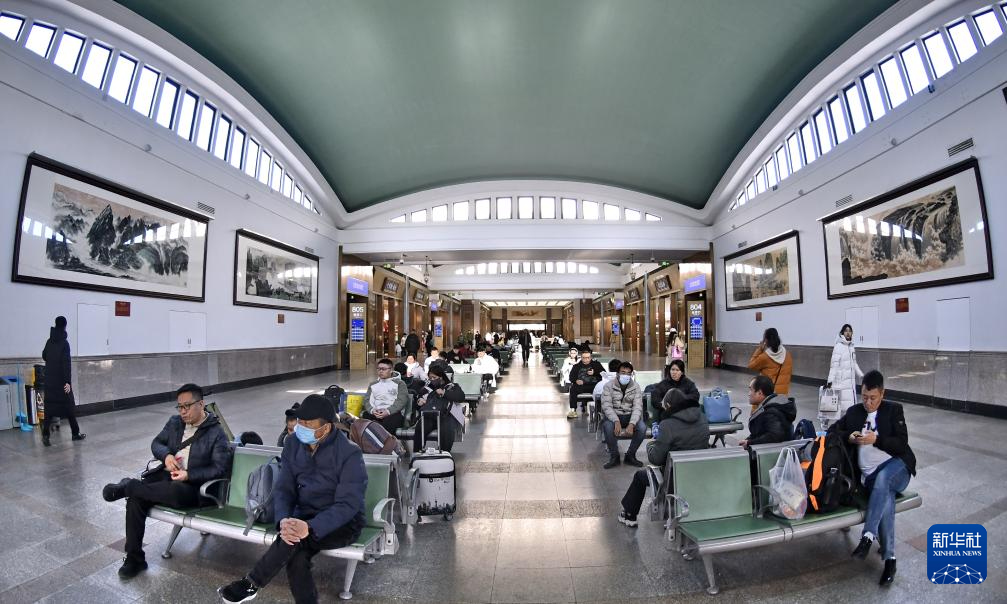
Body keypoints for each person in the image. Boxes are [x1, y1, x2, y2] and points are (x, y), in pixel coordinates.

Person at [218, 394, 367, 603]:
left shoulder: (349, 453)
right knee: (296, 553)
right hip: (303, 514)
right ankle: (253, 585)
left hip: (341, 522)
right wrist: (284, 520)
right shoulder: (293, 443)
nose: (301, 427)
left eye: (308, 424)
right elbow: (284, 488)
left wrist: (311, 526)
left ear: (326, 427)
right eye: (300, 421)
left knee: (295, 545)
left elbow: (348, 504)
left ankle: (251, 583)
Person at [101, 383, 230, 578]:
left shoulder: (216, 433)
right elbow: (157, 443)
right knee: (136, 499)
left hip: (196, 488)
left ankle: (129, 485)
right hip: (167, 477)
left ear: (201, 404)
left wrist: (189, 474)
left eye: (187, 406)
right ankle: (135, 559)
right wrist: (167, 456)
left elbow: (219, 468)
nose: (183, 411)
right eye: (180, 407)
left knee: (170, 491)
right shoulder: (175, 423)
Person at [830, 370, 915, 586]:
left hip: (898, 468)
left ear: (882, 394)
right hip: (870, 478)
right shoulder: (854, 412)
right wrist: (848, 436)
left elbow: (901, 444)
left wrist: (876, 439)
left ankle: (868, 536)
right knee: (885, 497)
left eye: (873, 398)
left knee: (884, 479)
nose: (868, 403)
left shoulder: (893, 410)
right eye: (865, 397)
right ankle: (890, 559)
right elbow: (832, 431)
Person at [618, 389, 709, 527]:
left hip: (673, 478)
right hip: (699, 473)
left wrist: (652, 443)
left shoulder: (667, 425)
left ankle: (629, 515)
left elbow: (656, 459)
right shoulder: (702, 418)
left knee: (640, 476)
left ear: (669, 406)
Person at [41, 315, 85, 446]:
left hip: (50, 381)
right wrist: (67, 382)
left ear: (56, 325)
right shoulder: (64, 344)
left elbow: (44, 355)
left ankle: (46, 435)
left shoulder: (49, 341)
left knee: (49, 409)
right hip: (61, 382)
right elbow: (66, 364)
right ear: (65, 326)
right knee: (69, 408)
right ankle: (75, 434)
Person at [600, 362, 646, 469]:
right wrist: (616, 421)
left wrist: (632, 423)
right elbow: (607, 406)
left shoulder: (636, 387)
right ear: (617, 374)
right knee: (607, 426)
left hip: (630, 416)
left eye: (629, 373)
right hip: (614, 416)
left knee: (642, 427)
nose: (626, 375)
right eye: (623, 372)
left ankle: (630, 455)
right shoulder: (608, 386)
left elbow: (637, 407)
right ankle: (614, 456)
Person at [413, 365, 464, 452]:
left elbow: (461, 397)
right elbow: (417, 404)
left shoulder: (451, 386)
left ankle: (444, 453)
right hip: (430, 415)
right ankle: (418, 452)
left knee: (446, 429)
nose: (432, 380)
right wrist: (419, 402)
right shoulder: (426, 389)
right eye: (430, 378)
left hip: (446, 416)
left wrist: (444, 393)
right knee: (421, 427)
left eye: (434, 377)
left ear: (441, 377)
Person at [738, 375, 796, 448]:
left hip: (775, 452)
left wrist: (750, 443)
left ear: (760, 393)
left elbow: (774, 436)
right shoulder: (768, 406)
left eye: (751, 390)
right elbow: (761, 432)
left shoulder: (771, 412)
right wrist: (748, 440)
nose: (749, 394)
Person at [747, 327, 793, 413]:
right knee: (778, 417)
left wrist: (760, 349)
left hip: (768, 395)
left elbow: (751, 365)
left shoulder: (765, 357)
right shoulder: (787, 355)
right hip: (782, 396)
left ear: (766, 340)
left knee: (762, 416)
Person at [826, 323, 864, 421]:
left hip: (850, 383)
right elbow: (834, 365)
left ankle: (848, 424)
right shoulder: (838, 346)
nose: (848, 333)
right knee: (842, 408)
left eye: (850, 331)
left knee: (850, 407)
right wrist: (830, 380)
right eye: (846, 331)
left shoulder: (851, 347)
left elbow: (854, 363)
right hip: (841, 383)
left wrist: (861, 375)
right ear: (842, 333)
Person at [362, 358, 409, 434]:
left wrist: (388, 411)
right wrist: (372, 410)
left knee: (391, 420)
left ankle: (382, 439)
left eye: (383, 369)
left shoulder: (399, 383)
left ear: (391, 370)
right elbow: (367, 400)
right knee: (366, 416)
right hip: (376, 412)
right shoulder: (373, 384)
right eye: (379, 369)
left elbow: (401, 401)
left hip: (392, 413)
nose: (380, 371)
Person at [567, 350, 605, 419]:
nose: (586, 359)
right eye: (584, 358)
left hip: (594, 386)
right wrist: (576, 381)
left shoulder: (596, 364)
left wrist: (595, 372)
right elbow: (571, 377)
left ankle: (601, 410)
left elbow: (604, 374)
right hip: (581, 386)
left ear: (590, 357)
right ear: (581, 358)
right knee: (573, 389)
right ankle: (573, 410)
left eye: (588, 358)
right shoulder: (576, 366)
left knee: (602, 389)